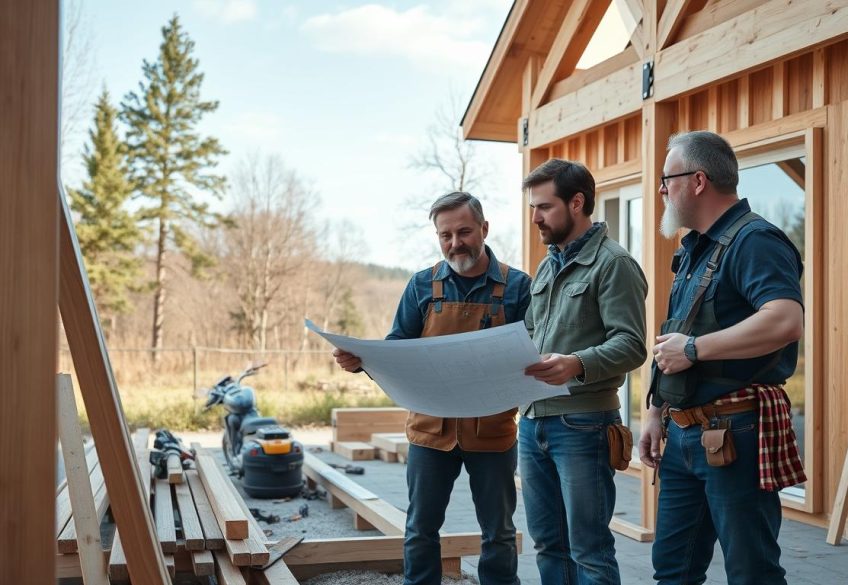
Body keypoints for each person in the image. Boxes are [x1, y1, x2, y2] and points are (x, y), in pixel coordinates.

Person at [332, 192, 531, 585]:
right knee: (421, 529)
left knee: (500, 532)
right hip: (429, 434)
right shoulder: (422, 285)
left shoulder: (518, 288)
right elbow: (397, 349)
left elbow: (534, 354)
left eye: (464, 231)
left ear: (484, 229)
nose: (455, 243)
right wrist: (362, 362)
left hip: (492, 433)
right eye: (445, 235)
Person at [638, 131, 806, 585]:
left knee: (751, 572)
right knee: (672, 571)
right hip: (684, 433)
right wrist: (655, 412)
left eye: (665, 179)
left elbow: (785, 320)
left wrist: (695, 350)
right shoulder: (694, 249)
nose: (659, 190)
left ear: (697, 180)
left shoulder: (755, 241)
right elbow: (675, 336)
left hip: (735, 433)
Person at [519, 158, 648, 585]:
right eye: (533, 208)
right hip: (532, 423)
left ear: (577, 203)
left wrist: (577, 363)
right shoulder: (546, 265)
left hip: (583, 424)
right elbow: (534, 335)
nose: (535, 218)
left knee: (588, 549)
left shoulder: (614, 264)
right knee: (547, 544)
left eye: (544, 207)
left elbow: (631, 345)